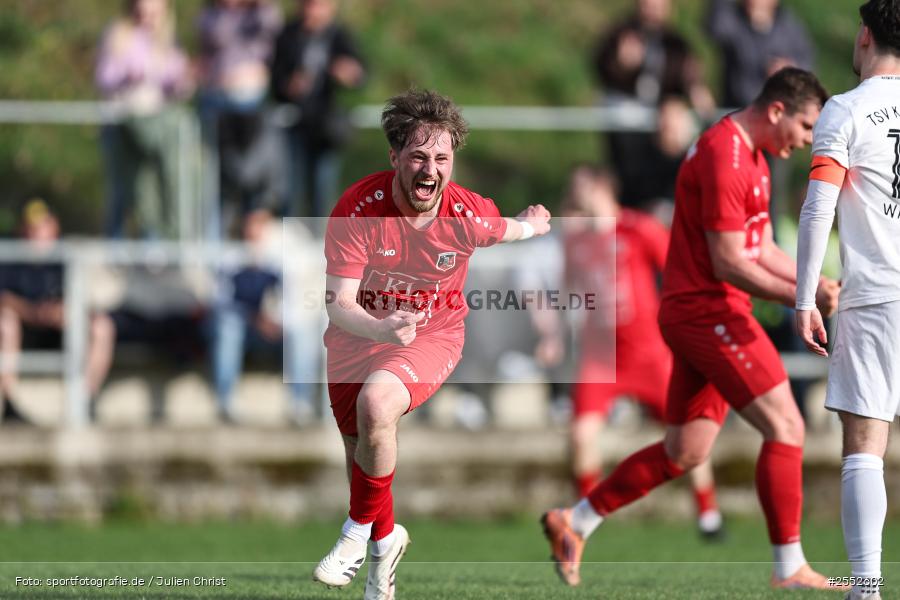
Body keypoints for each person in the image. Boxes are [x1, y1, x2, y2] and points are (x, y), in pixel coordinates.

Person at [540, 67, 846, 591]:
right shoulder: (725, 155)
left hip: (702, 314)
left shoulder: (754, 156)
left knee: (685, 450)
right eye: (804, 126)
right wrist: (802, 296)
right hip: (709, 314)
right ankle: (790, 568)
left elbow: (760, 248)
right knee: (787, 426)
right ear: (777, 110)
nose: (806, 141)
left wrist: (813, 281)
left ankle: (576, 520)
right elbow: (728, 262)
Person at [313, 89, 551, 599]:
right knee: (362, 453)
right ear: (394, 156)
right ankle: (383, 556)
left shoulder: (466, 214)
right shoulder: (358, 210)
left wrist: (532, 225)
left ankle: (353, 536)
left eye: (442, 158)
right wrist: (381, 328)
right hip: (357, 335)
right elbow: (338, 304)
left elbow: (505, 229)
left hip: (433, 334)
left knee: (377, 405)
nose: (430, 168)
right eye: (419, 156)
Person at [544, 165, 722, 537]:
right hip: (600, 356)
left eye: (581, 185)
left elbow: (678, 269)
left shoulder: (639, 228)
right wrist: (554, 336)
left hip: (649, 354)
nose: (574, 193)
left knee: (686, 436)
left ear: (602, 187)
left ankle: (708, 515)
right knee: (580, 435)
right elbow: (565, 293)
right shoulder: (575, 241)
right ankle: (584, 518)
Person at [795, 3, 900, 599]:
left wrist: (804, 296)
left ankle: (866, 587)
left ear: (865, 35)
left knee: (865, 446)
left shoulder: (847, 109)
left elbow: (819, 208)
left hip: (877, 294)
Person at [0, 201, 116, 424]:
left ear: (54, 226)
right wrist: (30, 312)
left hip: (59, 331)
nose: (37, 233)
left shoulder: (67, 257)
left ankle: (83, 401)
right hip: (25, 331)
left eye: (42, 226)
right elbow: (3, 298)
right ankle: (9, 404)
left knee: (102, 326)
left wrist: (63, 310)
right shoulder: (11, 255)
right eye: (32, 227)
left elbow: (83, 300)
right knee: (5, 323)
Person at [593, 0, 714, 209]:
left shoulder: (676, 43)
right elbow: (602, 68)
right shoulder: (621, 34)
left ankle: (670, 199)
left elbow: (688, 74)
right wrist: (621, 64)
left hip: (665, 115)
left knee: (681, 131)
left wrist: (695, 89)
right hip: (630, 125)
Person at [208, 209, 317, 424]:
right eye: (250, 225)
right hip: (250, 328)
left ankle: (300, 404)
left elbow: (295, 304)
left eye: (259, 225)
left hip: (278, 329)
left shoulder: (286, 258)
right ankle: (225, 401)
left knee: (303, 334)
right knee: (228, 328)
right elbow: (221, 302)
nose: (253, 231)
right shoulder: (232, 258)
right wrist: (257, 319)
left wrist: (277, 320)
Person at [95, 0, 194, 239]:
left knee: (150, 190)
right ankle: (114, 246)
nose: (147, 19)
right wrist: (127, 76)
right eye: (142, 12)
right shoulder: (118, 36)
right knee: (121, 191)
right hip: (121, 123)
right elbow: (103, 77)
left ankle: (155, 245)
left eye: (154, 13)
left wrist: (185, 79)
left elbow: (178, 86)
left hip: (154, 126)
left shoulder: (168, 41)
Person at [270, 0, 366, 220]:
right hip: (294, 124)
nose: (311, 10)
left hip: (325, 127)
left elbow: (360, 74)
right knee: (290, 187)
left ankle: (321, 235)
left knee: (322, 187)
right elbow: (275, 79)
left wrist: (348, 74)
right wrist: (289, 85)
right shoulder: (288, 35)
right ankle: (291, 234)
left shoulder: (340, 36)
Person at [706, 0, 815, 109]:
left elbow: (806, 61)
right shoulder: (734, 21)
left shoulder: (788, 25)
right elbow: (715, 28)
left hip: (780, 109)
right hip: (740, 108)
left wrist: (789, 69)